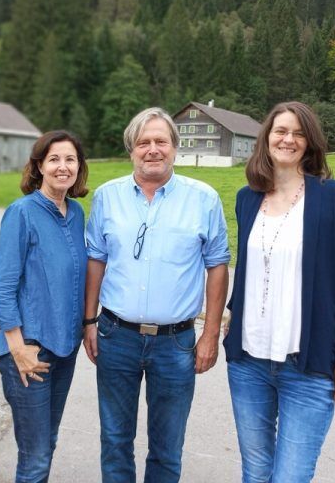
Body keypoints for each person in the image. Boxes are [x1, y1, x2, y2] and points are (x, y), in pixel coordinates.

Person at [83, 107, 230, 483]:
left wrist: (210, 333)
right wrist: (89, 321)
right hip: (116, 336)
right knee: (115, 439)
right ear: (131, 150)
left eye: (161, 141)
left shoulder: (204, 199)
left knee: (167, 446)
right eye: (143, 142)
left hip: (175, 343)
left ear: (175, 148)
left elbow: (217, 265)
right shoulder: (107, 197)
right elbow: (96, 260)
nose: (152, 149)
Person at [223, 101, 335, 482]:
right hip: (248, 362)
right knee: (255, 472)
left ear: (310, 142)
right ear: (266, 138)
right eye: (281, 131)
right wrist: (233, 312)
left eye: (299, 133)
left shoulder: (334, 197)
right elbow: (253, 267)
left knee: (290, 477)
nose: (288, 139)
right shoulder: (248, 197)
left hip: (307, 366)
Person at [0, 130, 89, 483]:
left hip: (65, 349)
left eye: (70, 159)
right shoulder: (22, 213)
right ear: (39, 167)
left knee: (47, 443)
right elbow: (2, 287)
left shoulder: (76, 213)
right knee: (34, 458)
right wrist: (18, 348)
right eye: (54, 159)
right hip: (30, 350)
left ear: (79, 167)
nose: (63, 167)